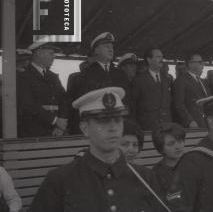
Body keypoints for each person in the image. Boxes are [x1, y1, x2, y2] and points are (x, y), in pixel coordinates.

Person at [31, 87, 163, 212]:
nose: (113, 128)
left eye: (118, 120)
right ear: (85, 128)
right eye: (103, 121)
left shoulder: (145, 178)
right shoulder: (59, 181)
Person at [17, 43, 68, 137]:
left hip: (56, 131)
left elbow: (64, 100)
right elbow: (28, 104)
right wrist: (55, 121)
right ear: (39, 53)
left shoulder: (53, 77)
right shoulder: (23, 76)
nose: (54, 57)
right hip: (33, 132)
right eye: (51, 53)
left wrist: (61, 123)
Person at [77, 32, 131, 106]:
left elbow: (128, 101)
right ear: (96, 51)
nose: (111, 49)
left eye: (112, 47)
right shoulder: (85, 75)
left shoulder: (121, 74)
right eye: (106, 46)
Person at [131, 48, 172, 131]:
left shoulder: (166, 79)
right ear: (149, 60)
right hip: (147, 127)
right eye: (157, 57)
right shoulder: (139, 80)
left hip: (166, 126)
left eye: (162, 57)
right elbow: (133, 105)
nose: (161, 59)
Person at [173, 53, 210, 128]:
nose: (203, 65)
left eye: (202, 62)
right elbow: (179, 103)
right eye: (200, 62)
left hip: (205, 122)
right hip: (192, 124)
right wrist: (189, 121)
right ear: (190, 64)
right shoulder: (181, 80)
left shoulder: (203, 81)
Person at [152, 122, 186, 197]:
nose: (178, 146)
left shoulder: (193, 164)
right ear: (161, 149)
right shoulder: (156, 173)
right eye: (171, 144)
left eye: (180, 141)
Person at [67, 58, 93, 135]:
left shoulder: (73, 77)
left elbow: (70, 98)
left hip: (77, 115)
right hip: (83, 115)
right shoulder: (75, 77)